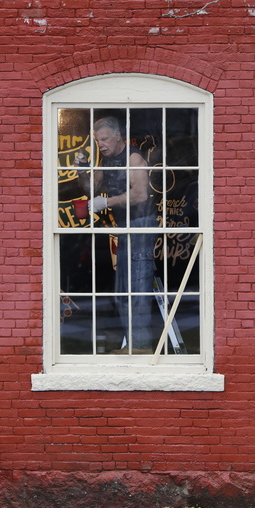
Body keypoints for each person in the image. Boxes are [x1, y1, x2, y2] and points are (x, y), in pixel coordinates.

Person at [80, 116, 157, 354]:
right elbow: (90, 189)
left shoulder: (134, 158)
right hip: (126, 227)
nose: (100, 144)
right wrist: (82, 170)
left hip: (141, 225)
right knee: (123, 288)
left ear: (117, 136)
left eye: (104, 139)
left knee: (137, 285)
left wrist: (107, 202)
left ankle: (141, 347)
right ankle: (133, 345)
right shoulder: (106, 159)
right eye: (97, 140)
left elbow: (141, 195)